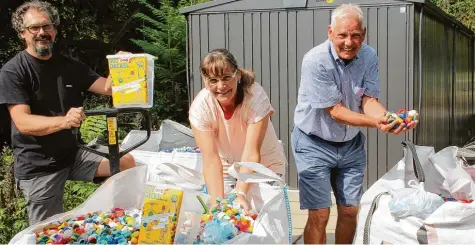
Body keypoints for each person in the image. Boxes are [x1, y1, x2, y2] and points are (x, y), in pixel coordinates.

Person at [291, 3, 418, 244]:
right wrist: (376, 123)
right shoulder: (315, 61)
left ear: (364, 34)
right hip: (313, 143)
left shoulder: (369, 56)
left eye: (355, 35)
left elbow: (368, 99)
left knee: (350, 210)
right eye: (342, 35)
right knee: (319, 213)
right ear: (330, 32)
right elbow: (336, 111)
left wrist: (388, 119)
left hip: (350, 144)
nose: (349, 42)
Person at [0, 0, 136, 225]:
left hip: (74, 153)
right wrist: (64, 121)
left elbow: (107, 88)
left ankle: (114, 221)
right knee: (47, 232)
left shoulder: (68, 65)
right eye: (34, 28)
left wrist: (120, 65)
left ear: (54, 30)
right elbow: (23, 122)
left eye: (47, 26)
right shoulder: (13, 71)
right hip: (39, 166)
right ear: (22, 33)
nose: (42, 32)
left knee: (125, 162)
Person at [188, 48, 286, 212]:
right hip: (227, 169)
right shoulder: (200, 108)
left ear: (238, 75)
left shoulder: (255, 96)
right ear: (205, 81)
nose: (221, 86)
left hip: (265, 166)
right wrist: (216, 202)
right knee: (223, 215)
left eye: (226, 77)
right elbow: (211, 160)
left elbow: (251, 153)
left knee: (266, 220)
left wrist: (241, 194)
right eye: (213, 80)